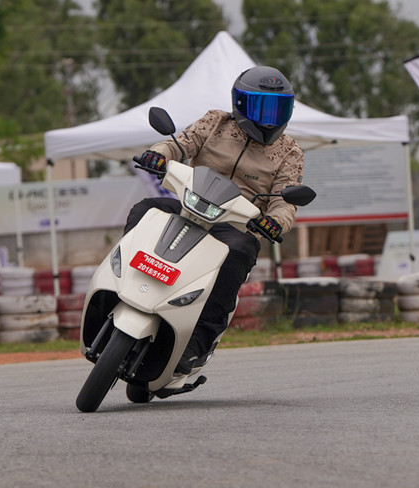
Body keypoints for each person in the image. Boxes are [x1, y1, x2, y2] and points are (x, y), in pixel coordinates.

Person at [130, 66, 304, 374]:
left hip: (236, 226)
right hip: (190, 206)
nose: (269, 117)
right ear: (239, 102)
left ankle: (200, 341)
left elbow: (284, 200)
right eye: (261, 106)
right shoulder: (215, 122)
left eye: (278, 108)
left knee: (239, 251)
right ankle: (124, 286)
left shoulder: (289, 151)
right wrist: (158, 154)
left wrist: (276, 221)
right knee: (145, 209)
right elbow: (177, 144)